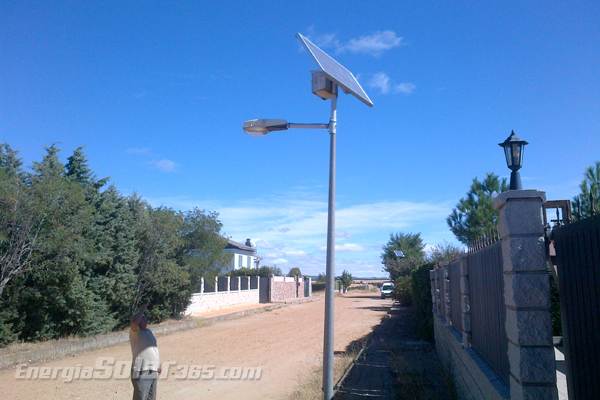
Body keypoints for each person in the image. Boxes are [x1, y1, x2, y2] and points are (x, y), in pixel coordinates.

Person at [130, 303, 161, 400]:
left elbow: (154, 349)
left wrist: (158, 364)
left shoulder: (149, 332)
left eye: (145, 317)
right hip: (141, 371)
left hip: (153, 370)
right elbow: (133, 323)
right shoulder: (136, 332)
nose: (145, 319)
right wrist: (142, 311)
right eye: (142, 318)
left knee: (151, 398)